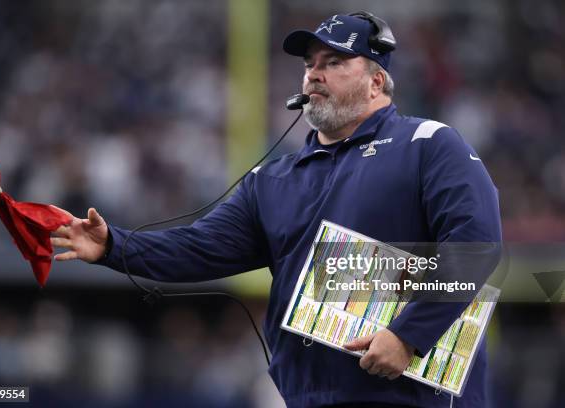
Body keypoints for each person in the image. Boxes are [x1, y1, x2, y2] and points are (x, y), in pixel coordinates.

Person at [51, 12, 501, 408]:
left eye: (334, 63)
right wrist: (113, 244)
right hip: (308, 397)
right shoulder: (273, 180)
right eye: (309, 65)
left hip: (412, 397)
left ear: (376, 81)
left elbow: (475, 247)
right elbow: (196, 249)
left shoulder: (427, 144)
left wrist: (408, 335)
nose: (313, 76)